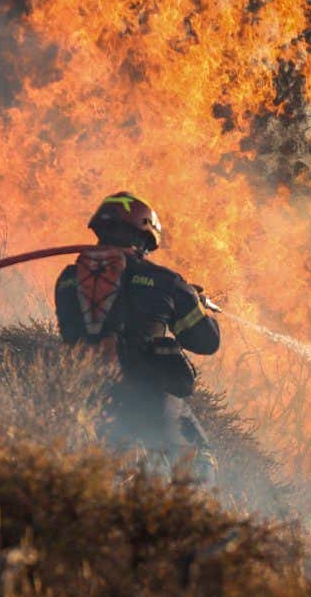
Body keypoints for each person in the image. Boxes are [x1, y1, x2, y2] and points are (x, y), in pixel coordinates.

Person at [54, 192, 220, 482]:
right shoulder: (166, 281)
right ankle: (186, 521)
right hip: (150, 403)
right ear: (144, 237)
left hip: (83, 401)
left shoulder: (67, 279)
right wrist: (196, 302)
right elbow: (206, 342)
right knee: (199, 464)